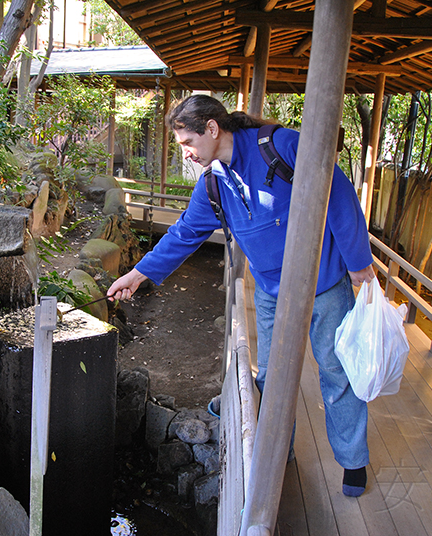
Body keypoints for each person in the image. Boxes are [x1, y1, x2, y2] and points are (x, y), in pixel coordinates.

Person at [106, 95, 375, 497]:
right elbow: (184, 233)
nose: (188, 153)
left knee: (336, 372)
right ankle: (276, 451)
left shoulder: (281, 146)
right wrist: (138, 274)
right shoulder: (214, 182)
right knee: (269, 376)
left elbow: (338, 195)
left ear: (212, 129)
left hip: (324, 283)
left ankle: (353, 460)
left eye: (187, 143)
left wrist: (358, 263)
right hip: (270, 291)